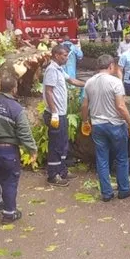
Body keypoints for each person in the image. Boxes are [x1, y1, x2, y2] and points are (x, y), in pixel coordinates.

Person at [0, 74, 37, 223]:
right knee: (9, 180)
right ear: (14, 88)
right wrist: (32, 149)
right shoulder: (15, 108)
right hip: (8, 150)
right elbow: (24, 132)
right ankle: (9, 213)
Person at [81, 55, 130, 202]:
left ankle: (106, 192)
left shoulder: (89, 83)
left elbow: (85, 105)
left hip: (98, 125)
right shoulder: (116, 82)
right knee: (121, 158)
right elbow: (120, 106)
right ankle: (124, 189)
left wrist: (85, 122)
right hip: (115, 125)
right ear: (111, 66)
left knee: (102, 159)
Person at [43, 45, 85, 186]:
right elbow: (49, 91)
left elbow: (72, 81)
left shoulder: (60, 70)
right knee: (55, 145)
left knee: (62, 144)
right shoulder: (51, 70)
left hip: (62, 113)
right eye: (64, 55)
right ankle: (52, 175)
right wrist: (54, 112)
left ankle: (62, 170)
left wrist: (88, 84)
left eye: (67, 55)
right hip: (55, 115)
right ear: (56, 55)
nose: (67, 58)